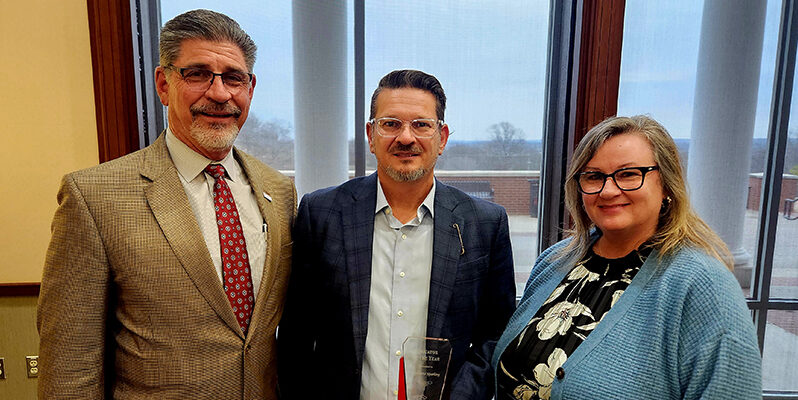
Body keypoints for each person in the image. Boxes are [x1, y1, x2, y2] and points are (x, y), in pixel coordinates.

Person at [37, 9, 296, 399]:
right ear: (163, 83)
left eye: (233, 78)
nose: (219, 93)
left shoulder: (279, 191)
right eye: (197, 74)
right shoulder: (94, 196)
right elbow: (70, 363)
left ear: (250, 88)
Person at [277, 69, 515, 399]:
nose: (405, 138)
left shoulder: (485, 223)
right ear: (371, 136)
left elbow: (497, 333)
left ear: (442, 137)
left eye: (421, 125)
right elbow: (296, 334)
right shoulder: (322, 213)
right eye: (390, 124)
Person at [491, 115, 761, 400]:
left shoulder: (704, 287)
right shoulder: (554, 262)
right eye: (594, 176)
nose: (608, 191)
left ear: (667, 184)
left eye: (629, 174)